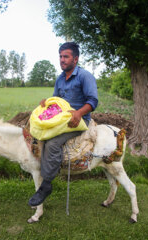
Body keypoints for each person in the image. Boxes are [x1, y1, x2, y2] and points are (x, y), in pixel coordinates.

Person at [28, 42, 98, 207]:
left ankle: (46, 185)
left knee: (52, 143)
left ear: (75, 59)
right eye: (60, 56)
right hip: (61, 119)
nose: (62, 60)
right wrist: (46, 104)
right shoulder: (60, 79)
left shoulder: (84, 76)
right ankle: (41, 169)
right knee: (38, 133)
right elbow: (56, 101)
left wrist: (79, 113)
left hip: (78, 120)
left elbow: (93, 101)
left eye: (66, 56)